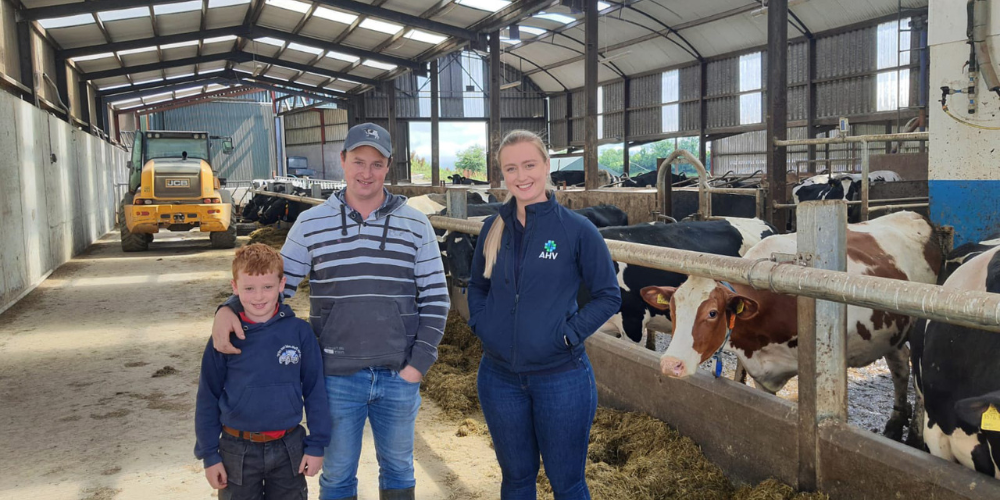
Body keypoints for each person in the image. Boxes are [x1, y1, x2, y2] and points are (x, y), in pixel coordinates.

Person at [210, 122, 450, 500]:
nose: (366, 172)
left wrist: (418, 364)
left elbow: (436, 297)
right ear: (342, 161)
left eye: (376, 163)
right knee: (337, 475)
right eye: (358, 161)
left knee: (399, 468)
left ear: (389, 166)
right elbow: (274, 286)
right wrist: (229, 307)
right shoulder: (311, 223)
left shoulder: (416, 224)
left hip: (398, 374)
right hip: (336, 377)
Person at [466, 130, 621, 500]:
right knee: (516, 479)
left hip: (560, 378)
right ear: (502, 174)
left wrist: (567, 335)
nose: (521, 176)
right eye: (511, 168)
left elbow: (608, 295)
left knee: (567, 482)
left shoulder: (576, 230)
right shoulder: (492, 228)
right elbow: (477, 285)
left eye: (529, 165)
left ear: (547, 165)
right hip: (499, 377)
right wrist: (483, 325)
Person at [195, 243, 331, 500]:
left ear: (282, 284)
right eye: (249, 288)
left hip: (289, 447)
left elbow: (315, 391)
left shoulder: (300, 333)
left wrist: (317, 445)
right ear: (235, 288)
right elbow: (207, 396)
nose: (258, 297)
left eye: (267, 287)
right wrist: (209, 455)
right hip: (236, 449)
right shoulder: (224, 337)